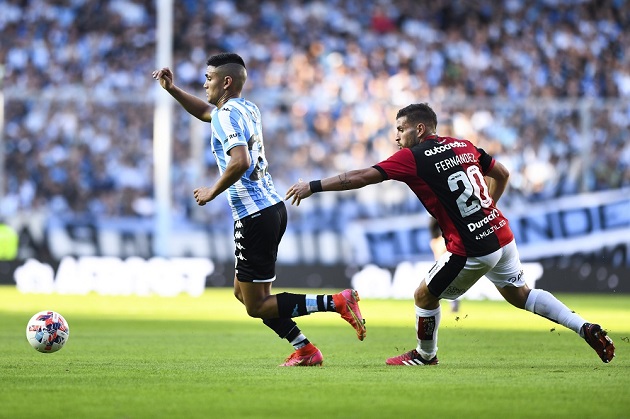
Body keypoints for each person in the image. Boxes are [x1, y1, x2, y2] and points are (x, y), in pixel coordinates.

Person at [286, 102, 615, 366]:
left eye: (400, 130)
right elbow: (502, 173)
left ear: (419, 129)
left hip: (472, 248)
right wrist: (489, 208)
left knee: (423, 296)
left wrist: (314, 186)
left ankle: (425, 355)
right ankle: (583, 327)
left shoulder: (412, 157)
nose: (396, 137)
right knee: (522, 295)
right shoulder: (463, 145)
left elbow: (361, 176)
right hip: (501, 234)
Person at [152, 52, 366, 366]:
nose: (204, 84)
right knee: (243, 293)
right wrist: (172, 89)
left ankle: (336, 302)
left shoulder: (226, 116)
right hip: (271, 208)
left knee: (257, 305)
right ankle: (305, 350)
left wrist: (211, 191)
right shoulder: (246, 108)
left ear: (226, 81)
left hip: (254, 215)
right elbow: (206, 113)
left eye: (209, 78)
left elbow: (241, 161)